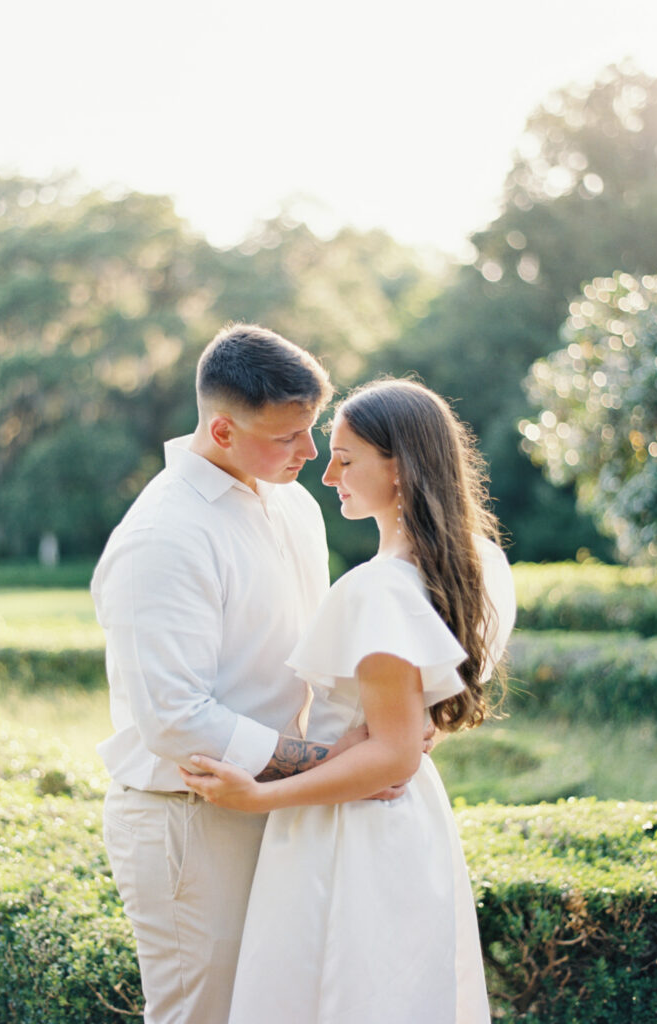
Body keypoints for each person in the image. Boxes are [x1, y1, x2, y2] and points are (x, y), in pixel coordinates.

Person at [180, 378, 517, 1024]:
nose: (328, 471)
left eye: (346, 456)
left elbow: (394, 756)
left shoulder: (379, 590)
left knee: (337, 995)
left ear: (400, 468)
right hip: (408, 825)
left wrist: (259, 796)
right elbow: (416, 728)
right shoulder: (478, 566)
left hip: (349, 827)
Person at [92, 324, 400, 1024]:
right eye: (287, 435)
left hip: (285, 803)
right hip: (191, 822)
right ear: (223, 432)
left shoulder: (292, 501)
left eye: (312, 428)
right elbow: (174, 718)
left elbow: (313, 650)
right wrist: (325, 764)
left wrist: (392, 721)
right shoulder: (162, 537)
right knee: (205, 1016)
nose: (311, 451)